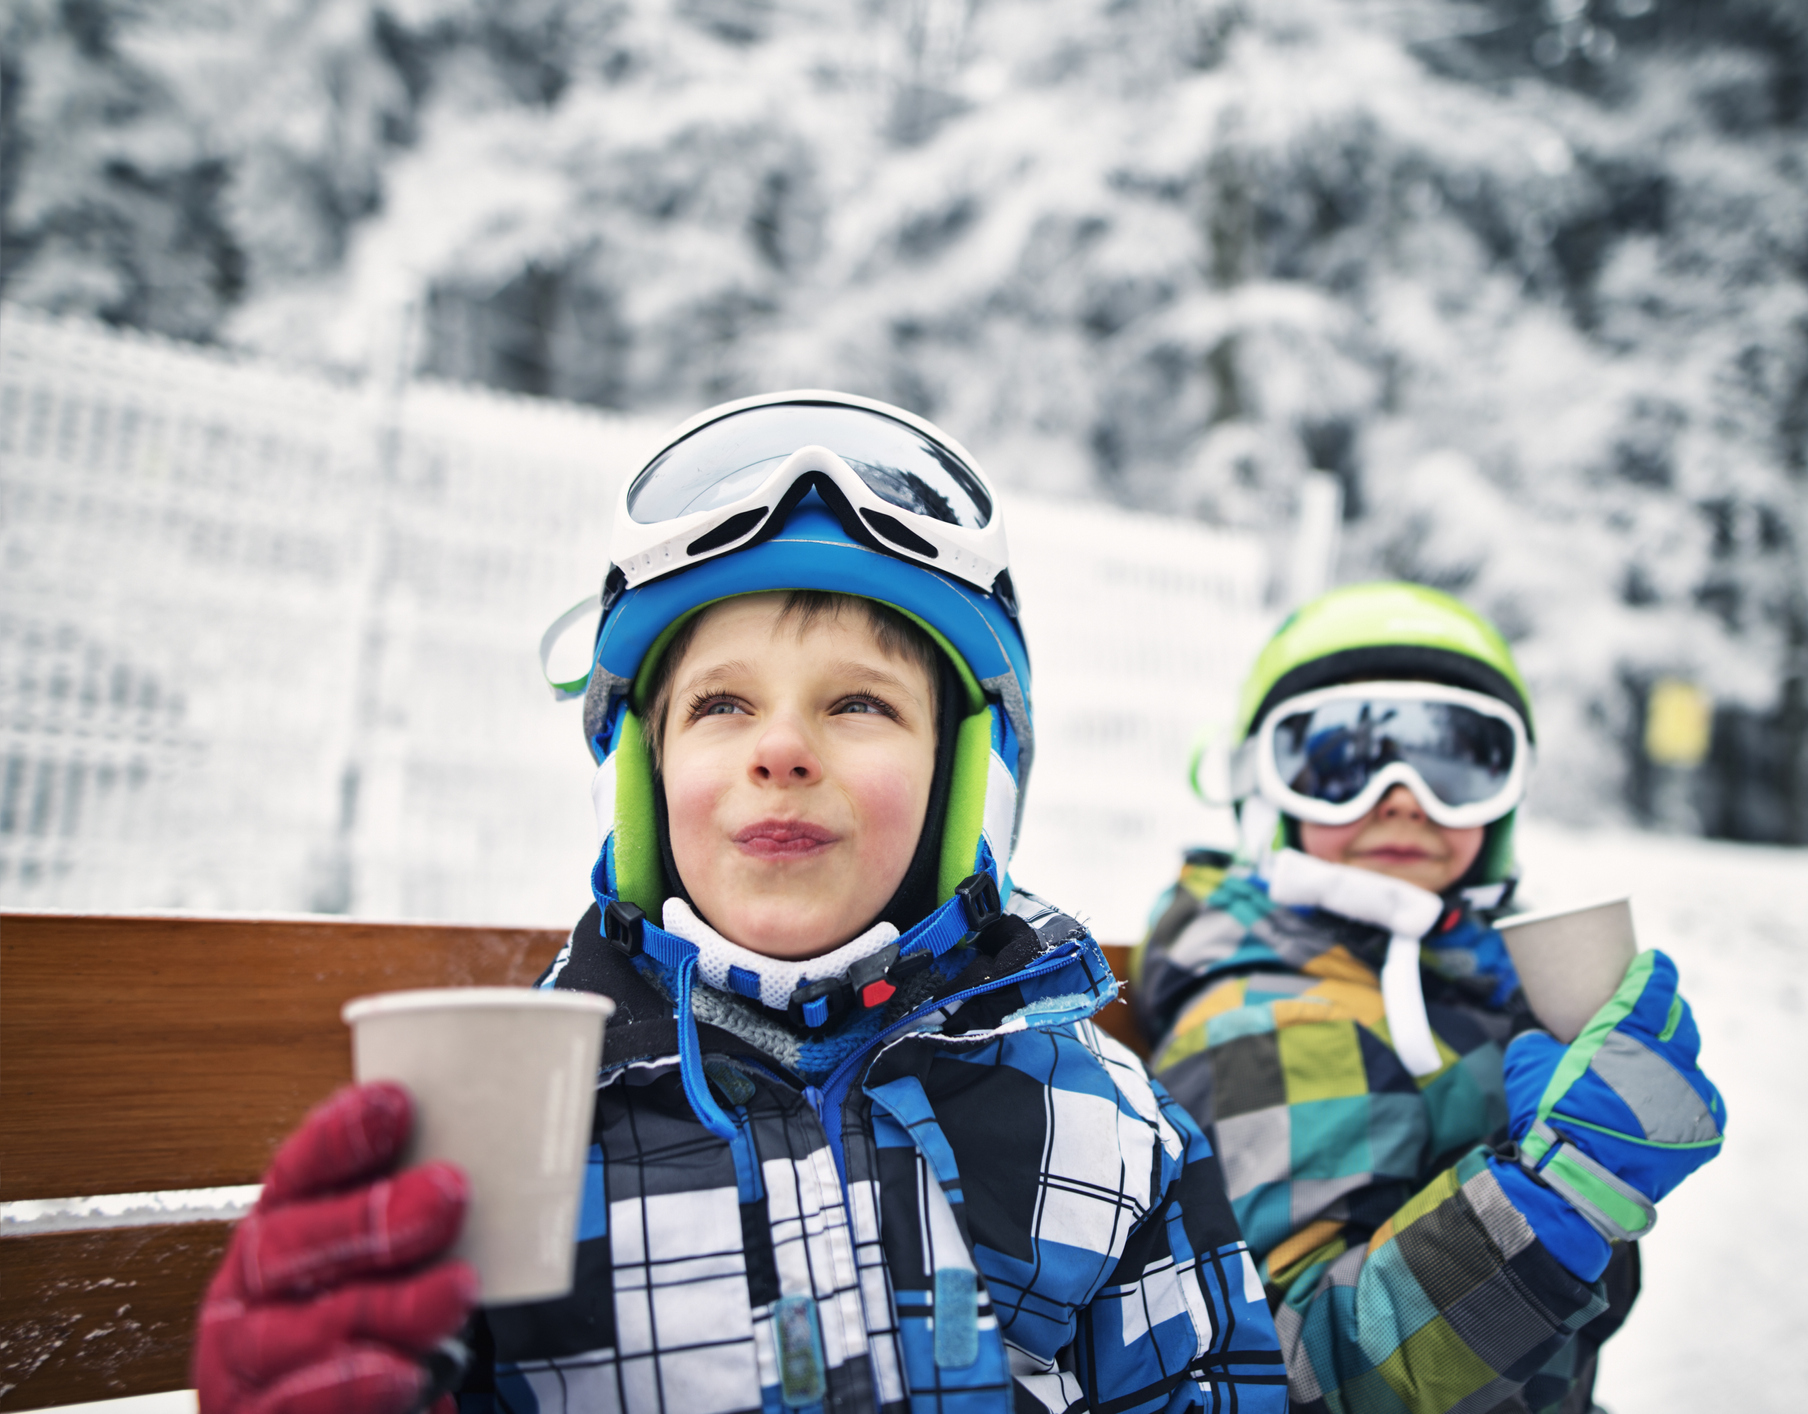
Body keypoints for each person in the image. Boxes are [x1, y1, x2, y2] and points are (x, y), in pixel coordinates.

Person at [192, 392, 1288, 1414]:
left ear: (970, 784)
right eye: (720, 703)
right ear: (636, 773)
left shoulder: (1106, 1128)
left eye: (858, 702)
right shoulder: (519, 1131)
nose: (780, 749)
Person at [1133, 582, 1725, 1414]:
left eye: (1457, 762)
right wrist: (1560, 1197)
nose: (1405, 796)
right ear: (1265, 789)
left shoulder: (1473, 978)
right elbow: (1290, 1374)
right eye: (1340, 762)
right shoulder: (1272, 1020)